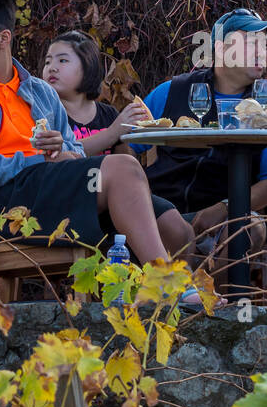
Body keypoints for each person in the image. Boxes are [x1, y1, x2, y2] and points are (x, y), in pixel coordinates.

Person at [0, 0, 171, 269]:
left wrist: (61, 149)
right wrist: (39, 159)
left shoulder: (41, 92)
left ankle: (182, 296)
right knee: (123, 168)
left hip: (46, 191)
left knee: (170, 222)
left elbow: (74, 153)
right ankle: (164, 280)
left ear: (3, 38)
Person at [130, 7, 267, 267]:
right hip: (161, 212)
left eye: (264, 45)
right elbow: (126, 144)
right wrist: (142, 198)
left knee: (250, 228)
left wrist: (223, 207)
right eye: (251, 43)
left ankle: (215, 307)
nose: (261, 52)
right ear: (220, 48)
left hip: (227, 217)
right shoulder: (173, 91)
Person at [42, 29, 194, 258]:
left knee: (179, 229)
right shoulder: (48, 113)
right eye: (48, 61)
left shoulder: (107, 113)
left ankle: (177, 286)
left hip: (119, 198)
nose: (52, 67)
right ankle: (161, 283)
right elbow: (59, 155)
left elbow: (128, 162)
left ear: (88, 67)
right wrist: (113, 132)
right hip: (77, 198)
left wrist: (131, 133)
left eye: (62, 60)